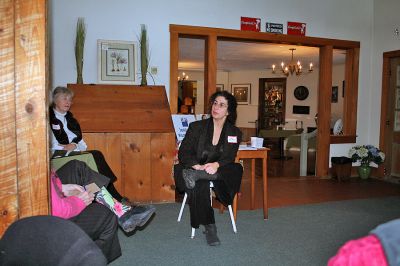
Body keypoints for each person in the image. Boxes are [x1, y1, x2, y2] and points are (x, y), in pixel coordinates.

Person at [174, 90, 243, 246]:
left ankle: (201, 175)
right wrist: (196, 166)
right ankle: (210, 227)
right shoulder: (196, 127)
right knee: (200, 183)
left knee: (237, 168)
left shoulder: (234, 132)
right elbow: (184, 152)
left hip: (217, 170)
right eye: (215, 103)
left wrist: (216, 164)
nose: (216, 107)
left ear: (228, 111)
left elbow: (229, 157)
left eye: (222, 105)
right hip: (191, 168)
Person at [51, 160, 156, 263]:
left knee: (77, 168)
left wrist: (62, 187)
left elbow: (49, 184)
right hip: (47, 223)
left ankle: (120, 210)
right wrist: (79, 201)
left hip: (52, 196)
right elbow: (57, 210)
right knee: (105, 212)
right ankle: (94, 260)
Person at [49, 86, 129, 204]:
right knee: (94, 156)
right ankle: (112, 198)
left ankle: (106, 198)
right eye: (64, 99)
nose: (68, 102)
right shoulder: (47, 119)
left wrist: (74, 145)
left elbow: (83, 145)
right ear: (55, 100)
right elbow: (50, 145)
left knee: (96, 155)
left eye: (70, 99)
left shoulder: (71, 120)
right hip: (57, 157)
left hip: (73, 154)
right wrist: (66, 147)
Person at [0, 216, 107, 266]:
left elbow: (56, 186)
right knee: (105, 215)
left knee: (82, 172)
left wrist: (64, 189)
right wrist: (79, 201)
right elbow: (60, 209)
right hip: (60, 219)